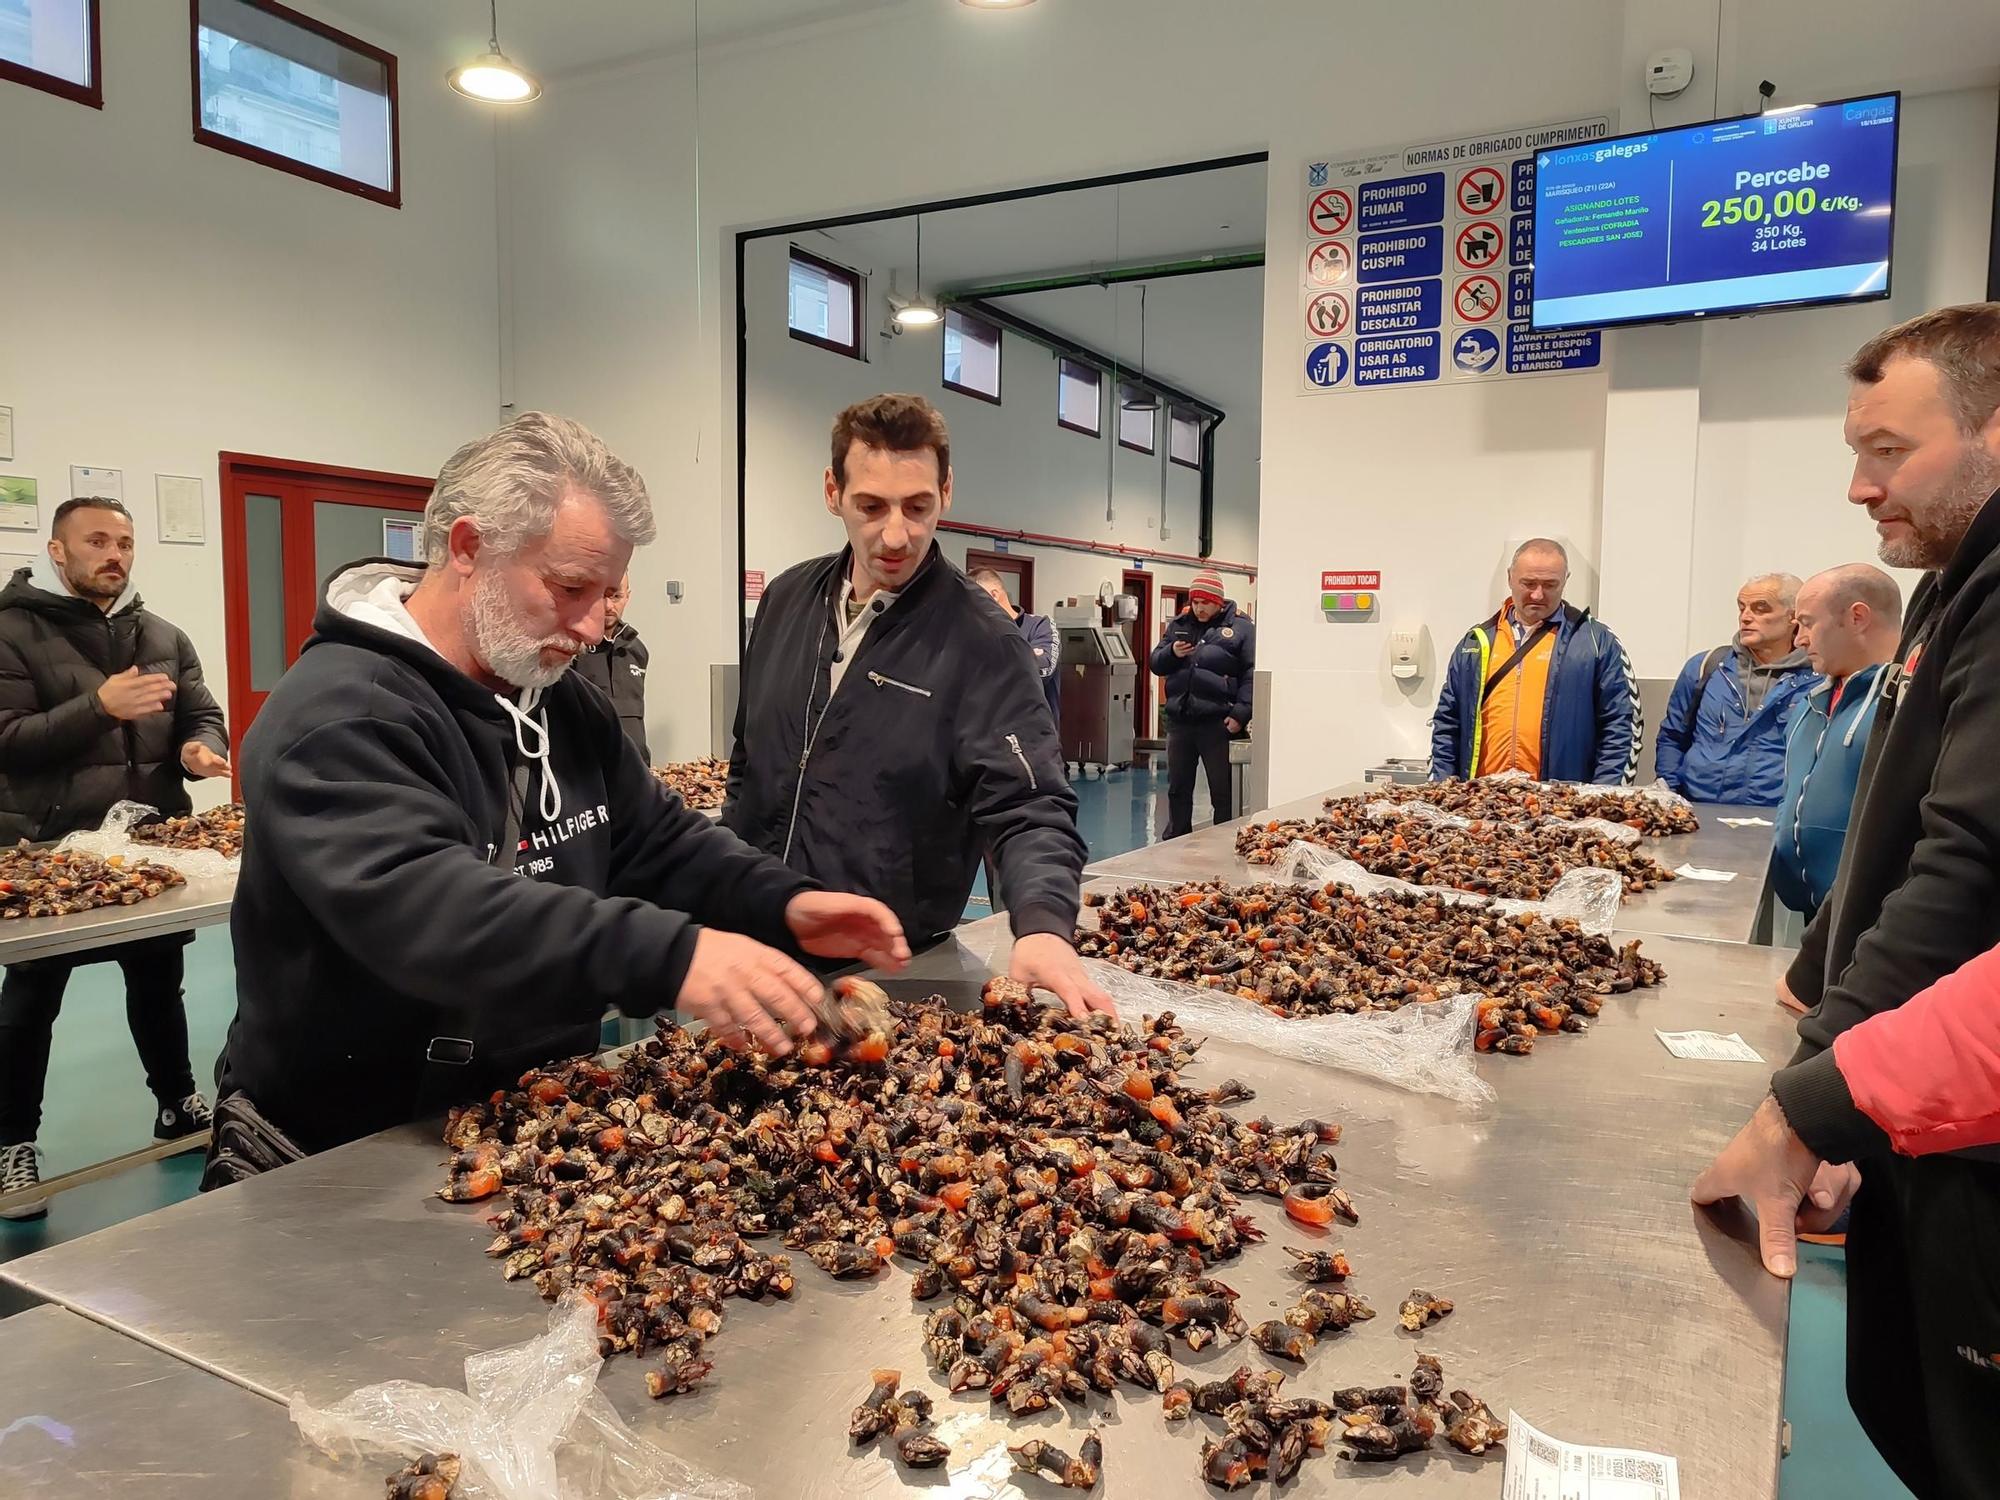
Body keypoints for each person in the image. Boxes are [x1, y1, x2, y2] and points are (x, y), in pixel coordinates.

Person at [212, 412, 908, 1166]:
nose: (590, 627)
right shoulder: (336, 716)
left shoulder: (557, 695)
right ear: (469, 547)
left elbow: (653, 839)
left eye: (608, 593)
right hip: (347, 1152)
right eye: (569, 587)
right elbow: (433, 913)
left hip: (523, 1129)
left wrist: (782, 902)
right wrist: (672, 957)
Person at [1695, 303, 2000, 1500]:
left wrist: (1810, 1098)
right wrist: (1819, 972)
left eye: (1885, 449)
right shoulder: (1951, 589)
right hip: (1916, 1091)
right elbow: (1900, 815)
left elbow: (1964, 868)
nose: (1858, 486)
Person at [723, 394, 1107, 1017]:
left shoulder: (982, 642)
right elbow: (750, 762)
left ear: (946, 492)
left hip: (886, 976)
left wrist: (1040, 923)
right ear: (832, 491)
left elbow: (1028, 803)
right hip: (751, 945)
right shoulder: (787, 601)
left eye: (918, 506)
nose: (895, 534)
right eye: (870, 506)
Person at [0, 497, 232, 1218]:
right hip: (47, 852)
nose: (115, 554)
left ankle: (175, 1105)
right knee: (31, 999)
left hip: (148, 850)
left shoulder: (161, 633)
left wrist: (202, 751)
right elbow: (9, 739)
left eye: (125, 542)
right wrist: (99, 706)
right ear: (58, 551)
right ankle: (12, 1145)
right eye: (97, 540)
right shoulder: (9, 631)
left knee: (159, 980)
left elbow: (199, 712)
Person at [1429, 538, 1639, 784]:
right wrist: (1443, 790)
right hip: (1483, 806)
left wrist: (1603, 799)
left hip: (1562, 810)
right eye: (1528, 583)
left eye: (1550, 585)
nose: (1538, 594)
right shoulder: (1475, 643)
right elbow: (1446, 725)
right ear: (1509, 578)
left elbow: (1622, 727)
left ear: (1565, 581)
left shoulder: (1597, 642)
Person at [1769, 565, 1901, 922]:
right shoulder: (1809, 704)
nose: (1798, 640)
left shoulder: (1908, 707)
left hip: (1874, 922)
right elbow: (1790, 795)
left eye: (1808, 623)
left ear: (1857, 617)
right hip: (1811, 915)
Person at [1654, 573, 1815, 805]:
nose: (1746, 617)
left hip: (1776, 816)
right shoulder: (1707, 666)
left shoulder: (1818, 678)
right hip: (1700, 810)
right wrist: (1671, 794)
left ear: (1793, 617)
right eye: (1742, 608)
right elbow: (1672, 736)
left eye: (1761, 608)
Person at [1151, 572, 1253, 841]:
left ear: (1218, 601)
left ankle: (1227, 841)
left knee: (1223, 791)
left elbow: (1251, 673)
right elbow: (1155, 663)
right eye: (1195, 602)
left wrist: (1241, 713)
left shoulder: (1241, 628)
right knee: (1178, 788)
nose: (1199, 608)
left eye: (1205, 603)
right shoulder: (1179, 624)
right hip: (1181, 720)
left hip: (1218, 723)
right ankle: (1175, 841)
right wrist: (1171, 653)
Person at [571, 571, 650, 760]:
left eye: (616, 596)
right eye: (603, 595)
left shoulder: (637, 649)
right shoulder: (571, 646)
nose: (609, 605)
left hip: (634, 768)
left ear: (627, 597)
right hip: (586, 768)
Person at [970, 568, 1060, 722]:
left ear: (993, 595)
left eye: (973, 601)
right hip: (991, 735)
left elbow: (1043, 669)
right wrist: (1026, 655)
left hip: (1035, 737)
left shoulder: (1039, 625)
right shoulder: (977, 633)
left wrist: (990, 662)